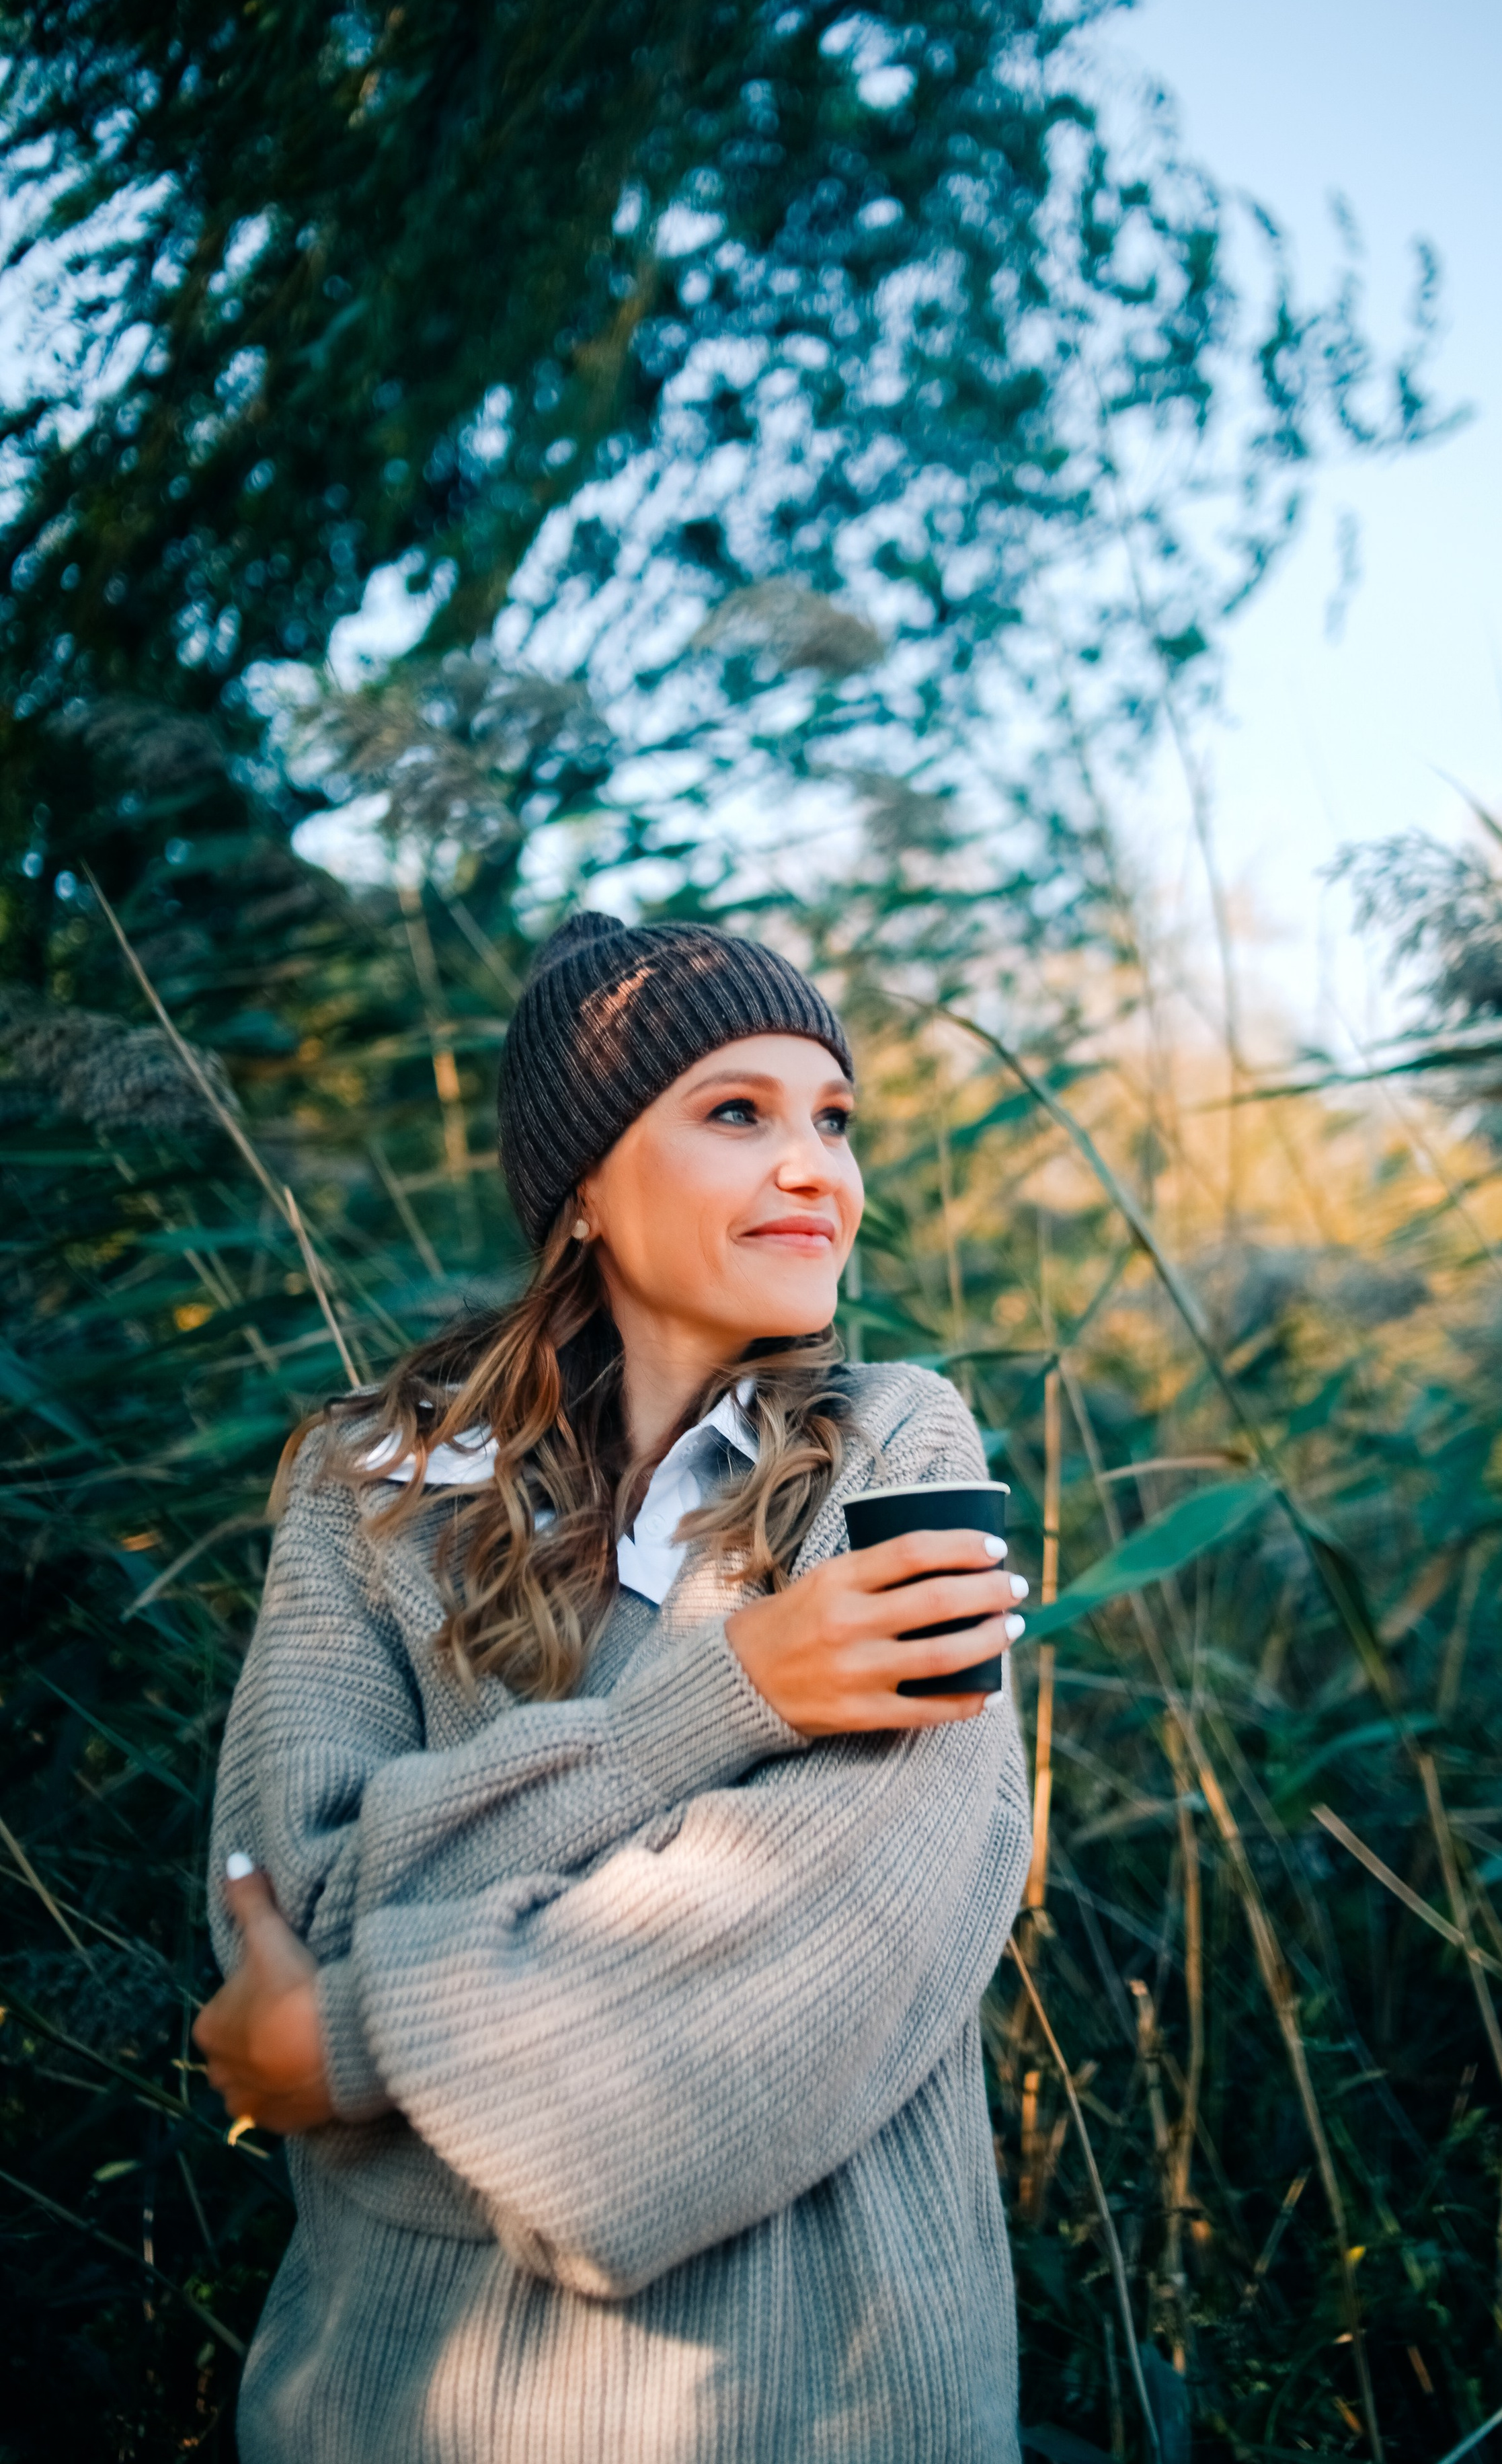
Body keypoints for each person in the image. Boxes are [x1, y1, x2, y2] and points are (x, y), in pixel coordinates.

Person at [195, 912, 1033, 2463]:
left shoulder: (894, 1455)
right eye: (739, 1113)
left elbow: (803, 1981)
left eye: (833, 1121)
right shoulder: (373, 1485)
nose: (817, 1171)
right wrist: (728, 1697)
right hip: (382, 2413)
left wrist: (358, 2047)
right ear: (582, 1184)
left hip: (813, 2418)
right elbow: (287, 1924)